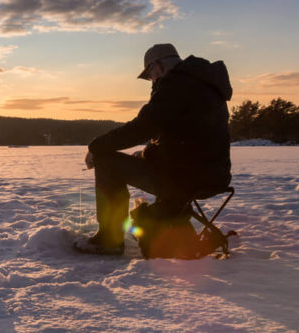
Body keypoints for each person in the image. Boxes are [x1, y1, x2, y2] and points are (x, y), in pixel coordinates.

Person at [75, 43, 232, 256]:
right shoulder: (204, 84)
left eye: (150, 75)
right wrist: (145, 154)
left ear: (157, 67)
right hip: (213, 176)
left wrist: (96, 146)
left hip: (182, 179)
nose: (152, 81)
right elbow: (183, 138)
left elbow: (142, 128)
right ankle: (169, 228)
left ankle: (109, 240)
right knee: (139, 160)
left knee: (106, 161)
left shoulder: (176, 84)